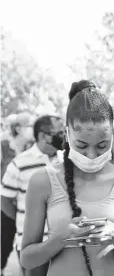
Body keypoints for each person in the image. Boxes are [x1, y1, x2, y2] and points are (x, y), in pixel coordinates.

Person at [20, 80, 114, 276]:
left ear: (112, 134)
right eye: (82, 146)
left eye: (102, 145)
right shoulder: (42, 181)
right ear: (67, 135)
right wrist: (62, 238)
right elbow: (27, 258)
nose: (92, 155)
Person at [1, 114, 64, 276]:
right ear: (44, 135)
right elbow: (5, 200)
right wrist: (27, 222)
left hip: (64, 245)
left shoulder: (67, 161)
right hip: (33, 247)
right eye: (60, 132)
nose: (65, 136)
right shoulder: (20, 163)